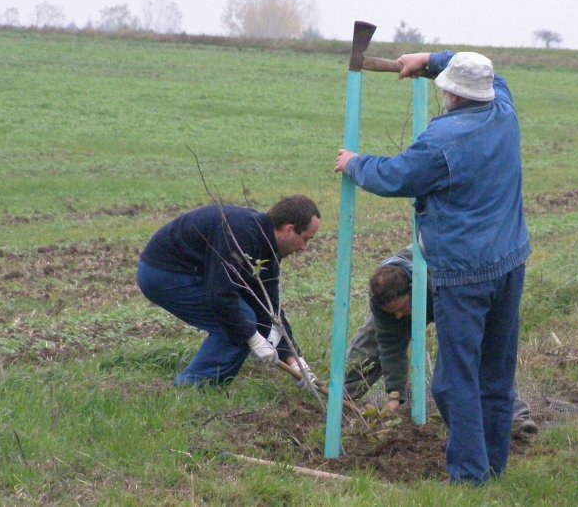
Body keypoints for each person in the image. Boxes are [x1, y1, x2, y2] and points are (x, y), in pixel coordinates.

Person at [335, 51, 531, 485]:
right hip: (511, 260)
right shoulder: (503, 107)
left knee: (453, 381)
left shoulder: (442, 142)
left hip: (465, 273)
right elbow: (490, 72)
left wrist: (355, 163)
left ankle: (469, 478)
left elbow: (397, 176)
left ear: (452, 95)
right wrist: (427, 59)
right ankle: (493, 468)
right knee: (495, 374)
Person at [344, 247, 538, 434]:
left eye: (402, 308)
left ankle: (514, 416)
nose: (398, 316)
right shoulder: (385, 299)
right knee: (371, 345)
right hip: (416, 285)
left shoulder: (437, 281)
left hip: (456, 280)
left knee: (477, 348)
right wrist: (395, 395)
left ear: (414, 289)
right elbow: (390, 345)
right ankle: (339, 399)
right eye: (392, 312)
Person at [137, 195, 321, 388]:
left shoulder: (267, 249)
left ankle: (207, 386)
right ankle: (191, 388)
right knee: (239, 323)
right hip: (162, 272)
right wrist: (253, 338)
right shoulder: (242, 233)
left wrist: (297, 362)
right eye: (305, 239)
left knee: (246, 321)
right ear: (290, 230)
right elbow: (220, 295)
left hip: (197, 274)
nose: (304, 248)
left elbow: (269, 310)